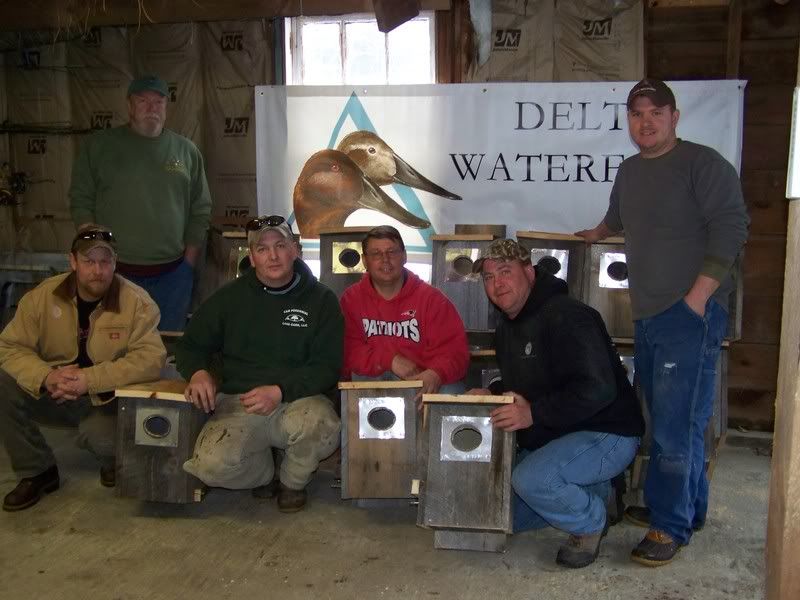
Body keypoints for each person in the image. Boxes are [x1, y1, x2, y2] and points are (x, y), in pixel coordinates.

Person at [575, 78, 749, 566]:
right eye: (636, 114)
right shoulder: (630, 171)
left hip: (688, 313)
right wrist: (598, 232)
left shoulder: (702, 163)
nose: (645, 121)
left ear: (674, 117)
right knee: (678, 419)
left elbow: (733, 226)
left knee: (674, 425)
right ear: (628, 121)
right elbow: (617, 218)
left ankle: (668, 526)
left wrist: (697, 298)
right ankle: (684, 509)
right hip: (649, 315)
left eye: (656, 112)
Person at [470, 238, 644, 569]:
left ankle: (592, 523)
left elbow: (598, 388)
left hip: (607, 432)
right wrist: (493, 393)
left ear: (529, 272)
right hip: (558, 432)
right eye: (488, 277)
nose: (496, 284)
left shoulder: (569, 316)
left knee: (532, 481)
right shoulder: (507, 327)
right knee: (504, 516)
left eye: (505, 272)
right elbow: (526, 381)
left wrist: (533, 413)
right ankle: (600, 492)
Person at [176, 215, 343, 512]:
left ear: (296, 250)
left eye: (281, 245)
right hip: (239, 403)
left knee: (324, 426)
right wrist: (198, 372)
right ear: (252, 258)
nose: (273, 255)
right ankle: (262, 474)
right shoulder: (228, 299)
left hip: (296, 401)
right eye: (263, 249)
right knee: (210, 467)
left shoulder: (322, 300)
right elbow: (190, 344)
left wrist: (279, 391)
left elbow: (327, 366)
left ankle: (291, 481)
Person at [0, 226, 166, 511]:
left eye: (105, 262)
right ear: (73, 261)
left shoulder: (137, 302)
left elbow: (151, 359)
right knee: (4, 382)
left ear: (115, 263)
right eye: (89, 261)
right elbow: (9, 347)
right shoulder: (42, 297)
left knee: (102, 439)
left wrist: (88, 379)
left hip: (106, 401)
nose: (97, 270)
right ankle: (37, 470)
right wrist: (46, 376)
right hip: (56, 392)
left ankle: (114, 459)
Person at [69, 74, 212, 332]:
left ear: (166, 108)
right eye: (143, 101)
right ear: (129, 105)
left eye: (158, 102)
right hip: (114, 274)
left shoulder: (186, 151)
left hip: (172, 275)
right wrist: (94, 256)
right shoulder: (99, 147)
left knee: (165, 348)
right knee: (110, 347)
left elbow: (200, 208)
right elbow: (81, 198)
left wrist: (188, 263)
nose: (151, 107)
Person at [340, 225, 469, 400]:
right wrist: (389, 360)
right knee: (362, 377)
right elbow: (348, 351)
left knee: (449, 392)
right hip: (374, 383)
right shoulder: (351, 300)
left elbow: (455, 352)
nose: (385, 260)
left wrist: (435, 374)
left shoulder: (432, 300)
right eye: (376, 254)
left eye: (392, 252)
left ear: (404, 256)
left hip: (423, 383)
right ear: (365, 261)